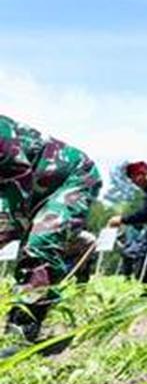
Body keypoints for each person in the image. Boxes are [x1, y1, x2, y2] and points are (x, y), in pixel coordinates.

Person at [0, 114, 102, 352]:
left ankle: (21, 330)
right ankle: (74, 242)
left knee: (39, 244)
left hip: (71, 178)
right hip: (32, 192)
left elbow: (16, 184)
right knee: (35, 234)